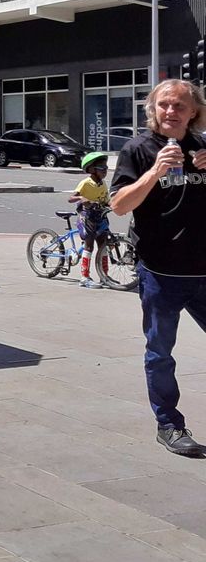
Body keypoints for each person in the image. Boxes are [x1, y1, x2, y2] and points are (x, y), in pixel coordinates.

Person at [111, 78, 206, 458]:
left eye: (179, 106)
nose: (171, 112)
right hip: (161, 274)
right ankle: (168, 424)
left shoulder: (203, 147)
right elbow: (118, 205)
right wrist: (154, 171)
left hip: (204, 272)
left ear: (193, 111)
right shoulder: (138, 149)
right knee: (160, 353)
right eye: (164, 105)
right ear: (153, 109)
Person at [69, 152, 110, 288]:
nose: (105, 171)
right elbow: (71, 198)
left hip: (100, 216)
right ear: (92, 170)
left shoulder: (103, 184)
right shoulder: (86, 183)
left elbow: (106, 201)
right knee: (89, 246)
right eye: (101, 168)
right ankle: (84, 277)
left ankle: (104, 275)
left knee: (103, 245)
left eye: (106, 168)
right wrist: (82, 198)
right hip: (87, 217)